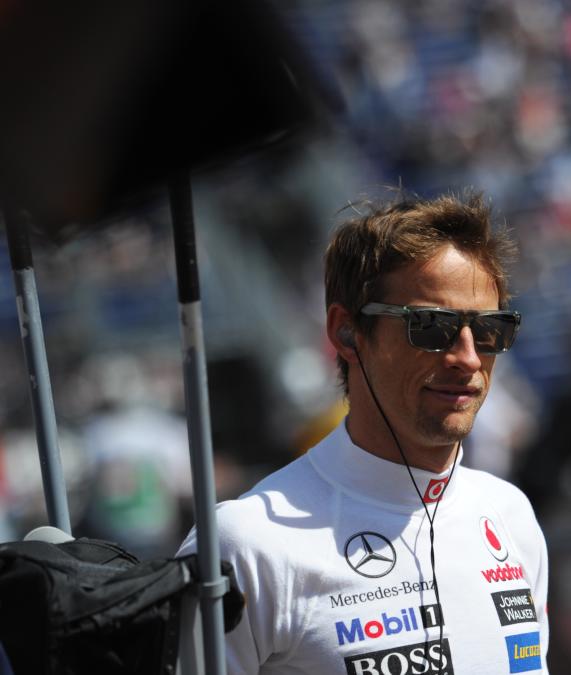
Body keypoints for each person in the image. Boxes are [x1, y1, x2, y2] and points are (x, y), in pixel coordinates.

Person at [178, 192, 549, 674]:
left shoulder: (510, 513)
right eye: (431, 326)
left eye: (490, 329)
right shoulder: (244, 545)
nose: (469, 358)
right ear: (347, 332)